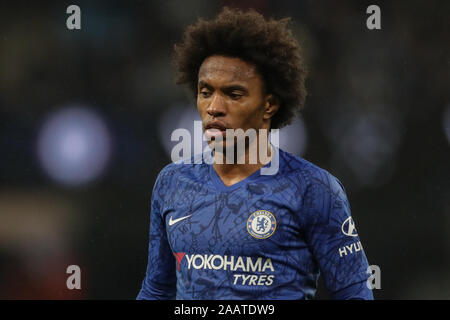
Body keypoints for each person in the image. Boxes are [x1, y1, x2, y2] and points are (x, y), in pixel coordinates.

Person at [137, 7, 373, 300]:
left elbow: (353, 292)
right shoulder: (172, 182)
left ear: (269, 105)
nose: (214, 107)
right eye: (206, 91)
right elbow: (157, 290)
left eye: (234, 94)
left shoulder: (315, 189)